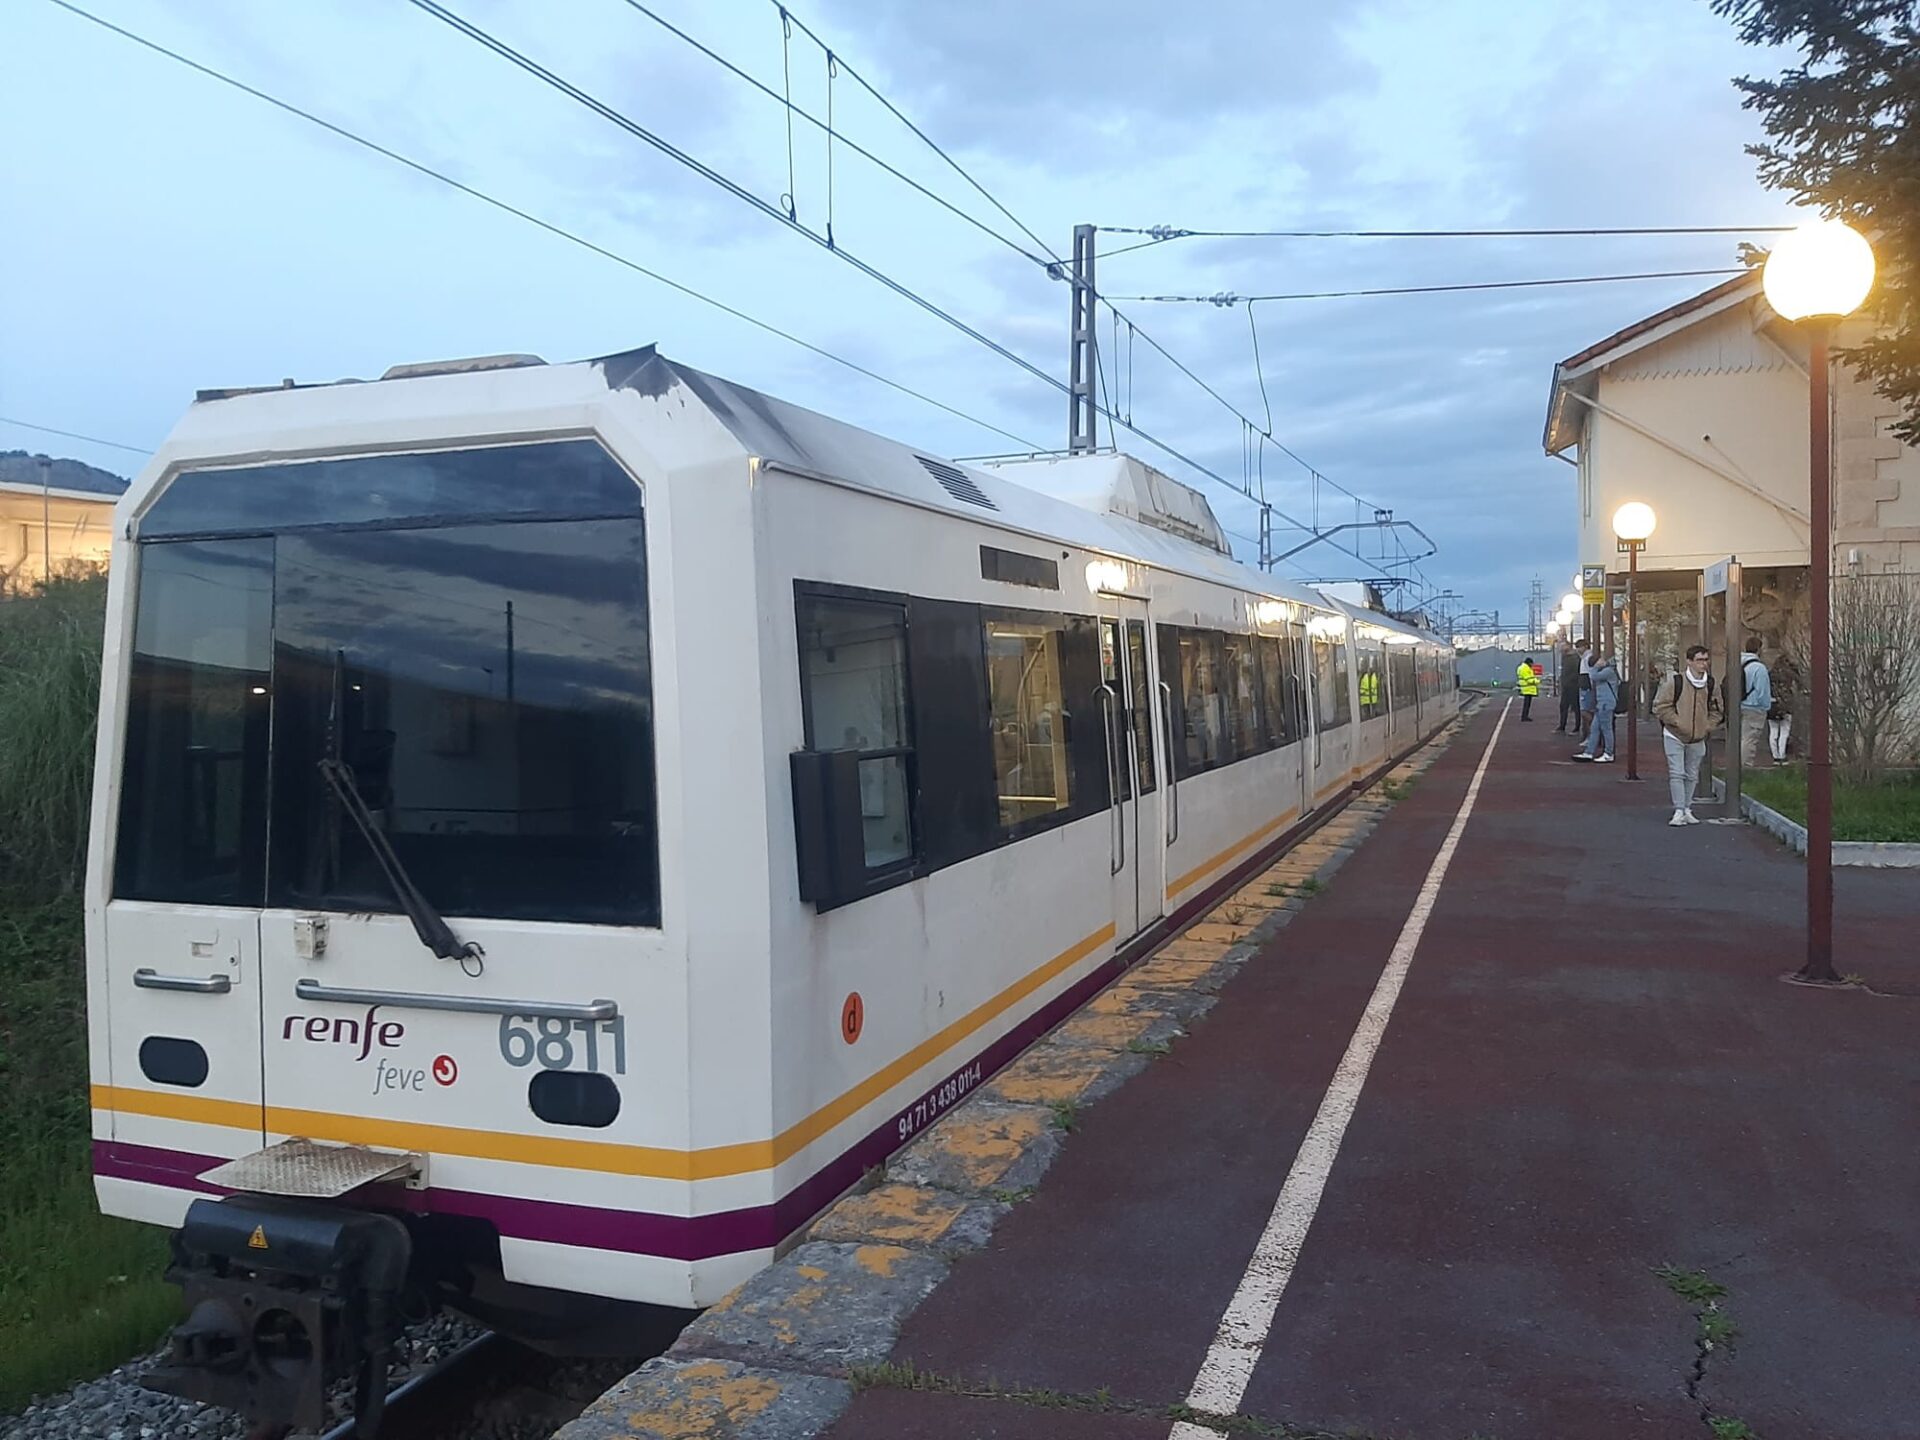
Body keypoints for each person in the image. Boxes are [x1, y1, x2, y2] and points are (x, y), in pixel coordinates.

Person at [1652, 644, 1724, 826]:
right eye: (1699, 660)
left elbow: (1717, 709)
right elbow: (1661, 707)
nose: (1703, 664)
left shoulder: (1711, 684)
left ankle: (1687, 808)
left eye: (1706, 660)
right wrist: (1677, 722)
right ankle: (1678, 810)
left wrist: (1707, 726)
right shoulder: (1676, 682)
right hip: (1674, 735)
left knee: (1692, 774)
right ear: (1689, 662)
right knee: (1677, 772)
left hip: (1698, 736)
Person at [1572, 650, 1619, 763]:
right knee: (1594, 729)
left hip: (1606, 703)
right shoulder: (1605, 670)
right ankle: (1589, 752)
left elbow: (1593, 676)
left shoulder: (1608, 671)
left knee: (1606, 729)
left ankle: (1609, 753)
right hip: (1601, 703)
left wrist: (1595, 667)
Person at [1737, 636, 1771, 769]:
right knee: (1750, 739)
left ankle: (1735, 765)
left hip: (1737, 705)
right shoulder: (1759, 668)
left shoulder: (1737, 663)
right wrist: (1766, 707)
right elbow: (1762, 691)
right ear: (1759, 649)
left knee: (1739, 738)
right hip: (1754, 707)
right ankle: (1745, 767)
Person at [1768, 652, 1799, 761]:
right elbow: (1800, 683)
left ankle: (1775, 755)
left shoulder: (1771, 673)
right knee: (1784, 731)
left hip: (1772, 703)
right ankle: (1782, 755)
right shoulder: (1789, 673)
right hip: (1786, 704)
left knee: (1773, 731)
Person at [1556, 640, 1587, 732]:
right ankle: (1562, 725)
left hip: (1573, 686)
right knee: (1563, 706)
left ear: (1568, 646)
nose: (1560, 648)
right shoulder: (1564, 657)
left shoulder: (1575, 658)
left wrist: (1570, 681)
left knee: (1575, 706)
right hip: (1566, 686)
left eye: (1562, 646)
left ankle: (1577, 726)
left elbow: (1576, 672)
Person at [1516, 656, 1539, 720]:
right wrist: (1536, 681)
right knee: (1527, 703)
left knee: (1527, 703)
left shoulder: (1523, 667)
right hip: (1527, 687)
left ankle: (1525, 716)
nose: (1532, 665)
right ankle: (1524, 716)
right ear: (1529, 663)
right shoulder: (1525, 668)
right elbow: (1528, 679)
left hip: (1527, 687)